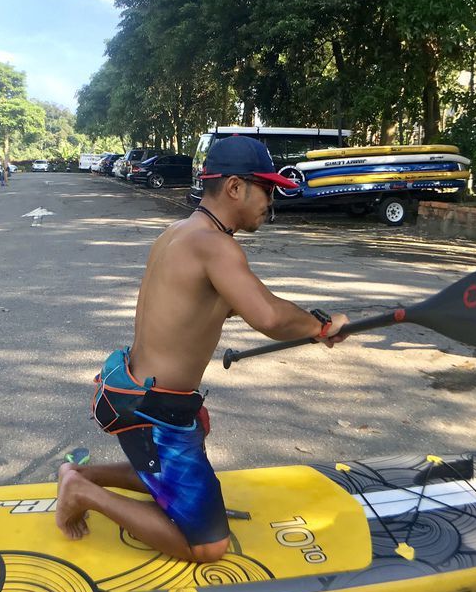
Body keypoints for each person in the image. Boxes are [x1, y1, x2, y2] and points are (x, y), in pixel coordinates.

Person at [55, 135, 350, 563]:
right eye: (266, 189)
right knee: (208, 546)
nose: (272, 200)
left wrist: (311, 325)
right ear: (235, 187)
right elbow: (268, 316)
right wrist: (321, 326)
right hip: (154, 412)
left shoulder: (180, 232)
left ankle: (80, 473)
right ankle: (82, 491)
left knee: (184, 454)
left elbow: (211, 308)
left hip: (138, 391)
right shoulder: (216, 245)